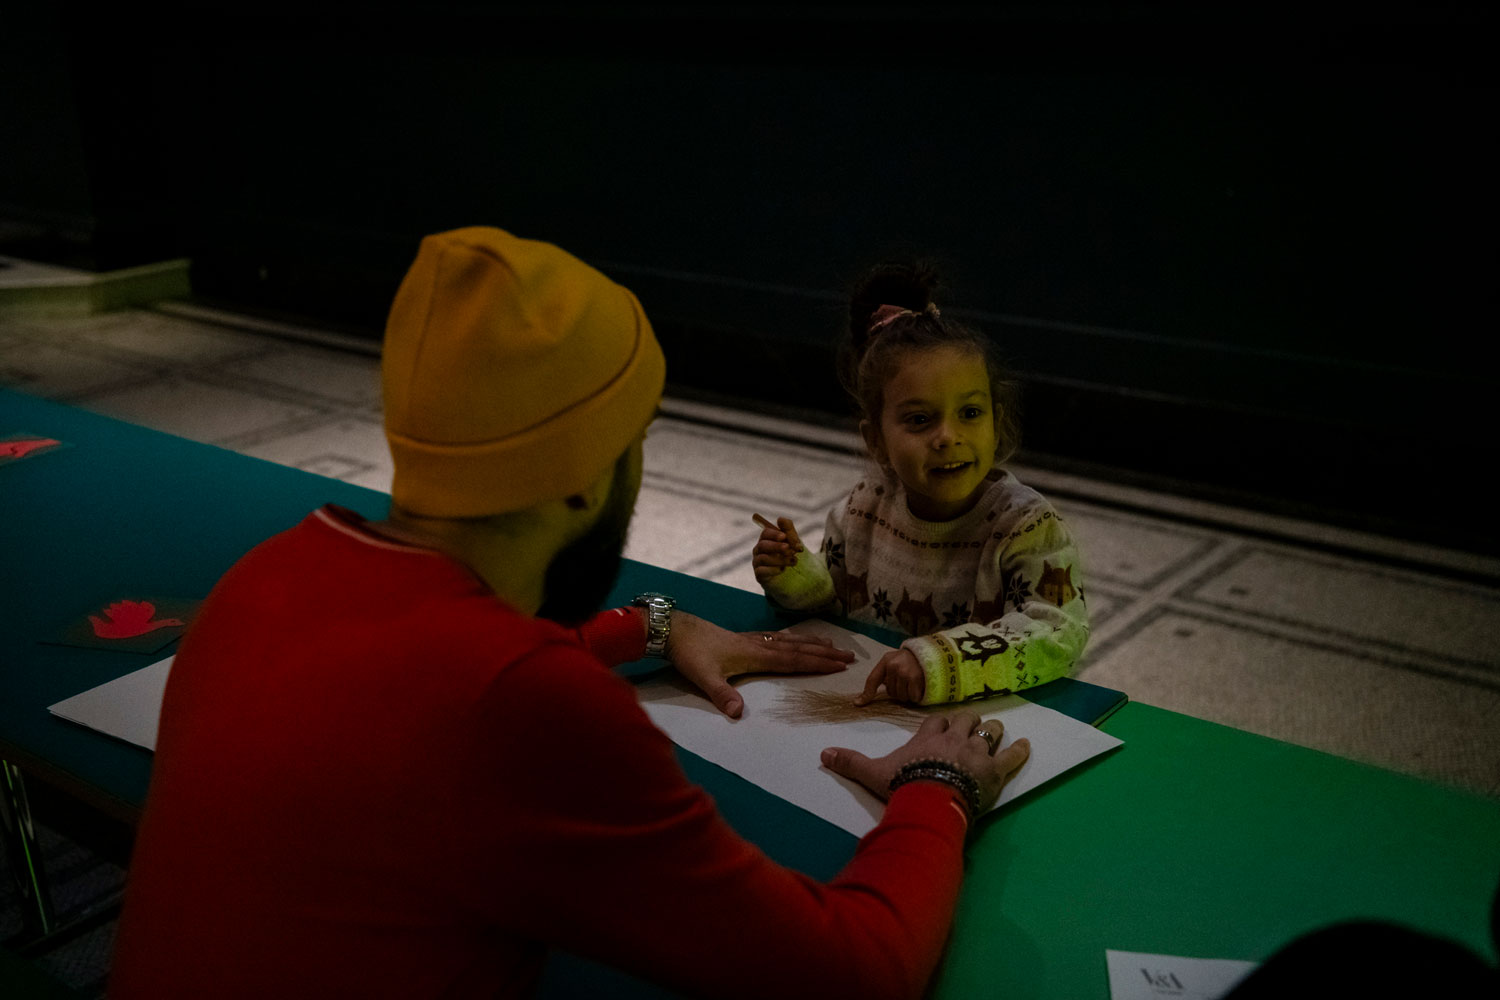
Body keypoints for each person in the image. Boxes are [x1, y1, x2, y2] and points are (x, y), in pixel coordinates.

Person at [108, 227, 1033, 999]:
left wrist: (659, 627)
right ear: (589, 476)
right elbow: (852, 973)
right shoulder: (524, 708)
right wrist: (936, 790)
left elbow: (408, 680)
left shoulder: (267, 574)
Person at [753, 262, 1089, 706]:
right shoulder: (863, 509)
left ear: (996, 421)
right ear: (876, 441)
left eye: (970, 413)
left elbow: (1059, 633)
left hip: (983, 727)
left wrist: (939, 662)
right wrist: (797, 580)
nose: (948, 436)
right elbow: (833, 613)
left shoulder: (1027, 527)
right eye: (919, 419)